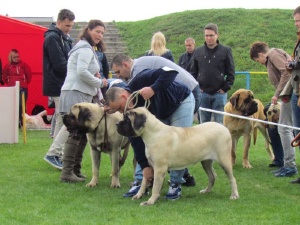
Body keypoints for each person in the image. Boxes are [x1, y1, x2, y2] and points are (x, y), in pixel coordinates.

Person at [111, 53, 201, 192]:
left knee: (179, 140)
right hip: (162, 110)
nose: (120, 112)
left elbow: (170, 72)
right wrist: (145, 165)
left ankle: (176, 183)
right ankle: (142, 180)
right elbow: (135, 137)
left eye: (119, 108)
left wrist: (153, 89)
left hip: (180, 100)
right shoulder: (131, 109)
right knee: (153, 142)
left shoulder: (141, 77)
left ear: (123, 96)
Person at [59, 19, 108, 182]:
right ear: (88, 30)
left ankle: (75, 170)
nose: (100, 35)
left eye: (102, 33)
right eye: (97, 31)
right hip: (76, 92)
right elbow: (81, 72)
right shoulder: (85, 49)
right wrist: (100, 82)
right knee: (75, 132)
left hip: (77, 92)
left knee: (81, 132)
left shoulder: (83, 47)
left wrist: (95, 77)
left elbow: (83, 71)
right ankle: (67, 173)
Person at [250, 42, 296, 177]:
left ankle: (290, 166)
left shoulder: (273, 54)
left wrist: (277, 95)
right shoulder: (271, 58)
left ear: (261, 54)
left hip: (290, 94)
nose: (259, 63)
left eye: (257, 60)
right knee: (277, 128)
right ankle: (282, 162)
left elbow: (286, 73)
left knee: (284, 128)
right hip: (288, 94)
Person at [43, 9, 75, 169]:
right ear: (59, 22)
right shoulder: (52, 37)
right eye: (67, 25)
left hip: (60, 83)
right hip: (58, 84)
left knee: (61, 119)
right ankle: (54, 153)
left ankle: (57, 154)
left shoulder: (63, 37)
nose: (69, 28)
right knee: (67, 119)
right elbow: (59, 64)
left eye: (71, 26)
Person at [190, 23, 235, 124]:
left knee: (219, 124)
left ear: (217, 35)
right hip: (203, 94)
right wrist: (197, 87)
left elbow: (231, 72)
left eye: (211, 35)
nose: (208, 38)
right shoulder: (198, 52)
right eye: (206, 35)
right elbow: (193, 72)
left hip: (219, 94)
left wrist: (225, 88)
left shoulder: (225, 51)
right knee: (204, 124)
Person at [2, 49, 32, 127]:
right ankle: (14, 122)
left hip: (23, 88)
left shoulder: (24, 65)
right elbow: (4, 76)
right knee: (12, 106)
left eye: (18, 57)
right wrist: (9, 83)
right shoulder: (7, 66)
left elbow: (29, 75)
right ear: (11, 57)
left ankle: (22, 122)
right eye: (15, 57)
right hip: (11, 88)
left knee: (21, 105)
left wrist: (24, 83)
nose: (17, 58)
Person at [287, 6, 300, 184]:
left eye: (299, 21)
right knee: (298, 133)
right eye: (296, 21)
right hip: (296, 91)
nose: (297, 24)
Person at [178, 37, 199, 123]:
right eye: (186, 45)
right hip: (185, 86)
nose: (188, 47)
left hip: (196, 85)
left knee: (198, 110)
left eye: (190, 45)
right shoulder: (182, 57)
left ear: (194, 45)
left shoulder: (199, 55)